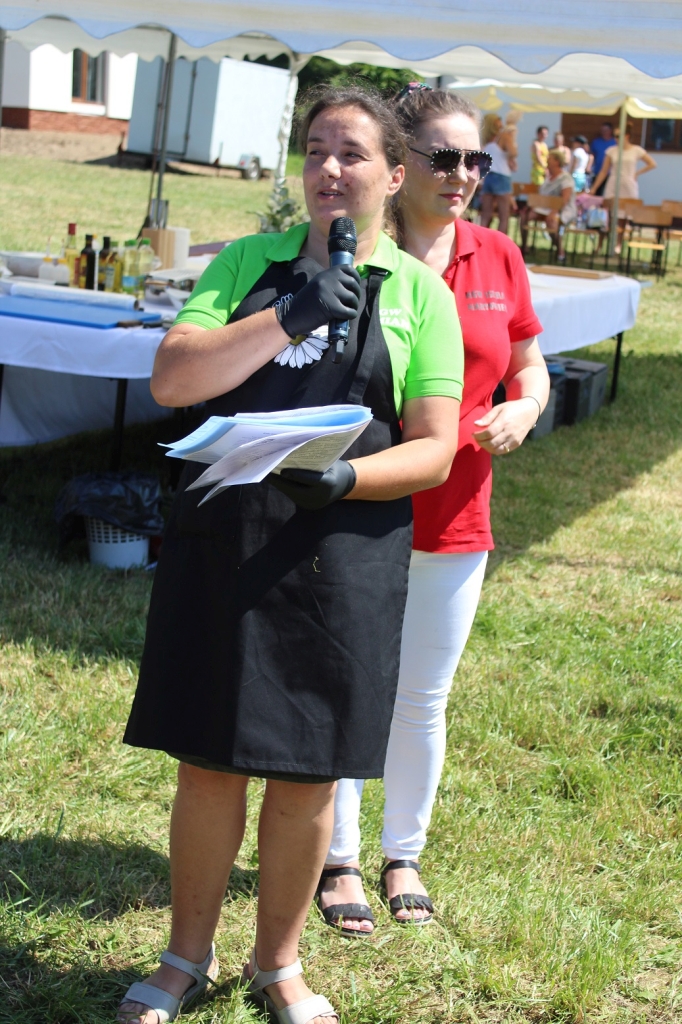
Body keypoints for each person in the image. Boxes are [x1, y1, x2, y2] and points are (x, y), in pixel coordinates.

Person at [118, 85, 464, 1024]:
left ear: (394, 175)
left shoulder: (422, 294)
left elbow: (435, 448)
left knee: (309, 767)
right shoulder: (246, 264)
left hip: (343, 553)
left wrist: (347, 480)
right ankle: (184, 958)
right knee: (208, 760)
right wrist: (292, 313)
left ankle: (278, 964)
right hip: (226, 540)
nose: (329, 170)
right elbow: (173, 378)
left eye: (352, 154)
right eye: (315, 150)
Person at [316, 86, 548, 935]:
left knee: (421, 696)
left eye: (475, 159)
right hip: (357, 501)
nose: (463, 174)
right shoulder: (354, 251)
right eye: (443, 157)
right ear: (398, 162)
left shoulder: (498, 255)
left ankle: (401, 852)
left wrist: (525, 409)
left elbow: (529, 365)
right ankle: (336, 859)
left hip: (456, 512)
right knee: (347, 684)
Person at [520, 148, 576, 261]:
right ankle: (524, 247)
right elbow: (542, 196)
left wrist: (554, 211)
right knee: (525, 216)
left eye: (550, 158)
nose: (547, 160)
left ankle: (560, 251)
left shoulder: (565, 178)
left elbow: (565, 198)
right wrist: (531, 206)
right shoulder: (548, 178)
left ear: (557, 161)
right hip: (545, 208)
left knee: (551, 221)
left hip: (563, 209)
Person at [590, 121, 657, 201]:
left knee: (630, 206)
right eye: (614, 136)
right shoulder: (611, 151)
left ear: (626, 136)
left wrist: (637, 173)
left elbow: (652, 164)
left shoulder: (636, 150)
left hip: (629, 182)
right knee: (611, 206)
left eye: (618, 136)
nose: (616, 138)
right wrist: (594, 188)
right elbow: (603, 171)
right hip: (614, 183)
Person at [479, 113, 517, 235]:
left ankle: (480, 240)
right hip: (501, 176)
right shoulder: (504, 136)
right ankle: (501, 243)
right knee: (504, 215)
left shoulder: (484, 140)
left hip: (488, 176)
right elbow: (513, 152)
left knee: (486, 215)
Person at [589, 122, 614, 195]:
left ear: (610, 131)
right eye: (602, 130)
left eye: (606, 130)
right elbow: (592, 155)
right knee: (596, 194)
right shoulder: (596, 142)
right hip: (597, 172)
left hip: (610, 174)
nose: (604, 132)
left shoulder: (614, 143)